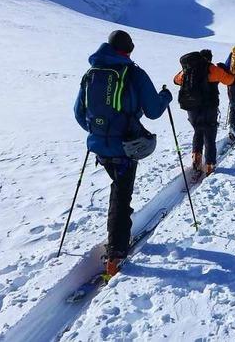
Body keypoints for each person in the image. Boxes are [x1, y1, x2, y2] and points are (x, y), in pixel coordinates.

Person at [74, 30, 172, 276]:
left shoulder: (92, 73)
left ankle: (119, 236)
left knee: (119, 189)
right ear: (128, 50)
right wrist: (166, 96)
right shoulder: (134, 73)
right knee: (121, 193)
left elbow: (79, 112)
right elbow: (153, 110)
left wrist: (99, 131)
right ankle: (116, 251)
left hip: (99, 146)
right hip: (125, 146)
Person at [174, 49, 234, 176]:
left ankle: (196, 159)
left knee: (198, 131)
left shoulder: (188, 70)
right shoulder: (211, 69)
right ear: (209, 58)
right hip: (208, 108)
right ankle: (209, 165)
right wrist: (225, 70)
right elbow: (229, 81)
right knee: (209, 135)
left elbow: (176, 80)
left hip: (192, 108)